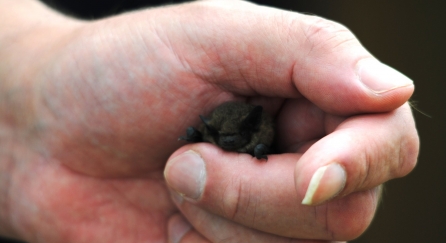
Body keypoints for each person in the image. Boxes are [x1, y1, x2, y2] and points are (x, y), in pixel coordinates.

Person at [0, 0, 419, 242]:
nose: (219, 142)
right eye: (214, 136)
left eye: (226, 138)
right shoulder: (217, 130)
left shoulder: (257, 128)